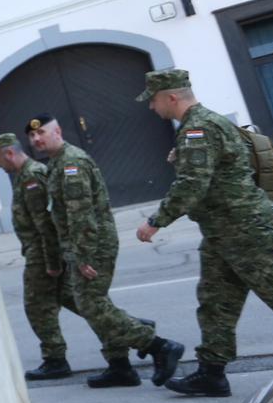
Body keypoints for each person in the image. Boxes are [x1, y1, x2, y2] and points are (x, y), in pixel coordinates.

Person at [134, 68, 273, 397]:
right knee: (215, 302)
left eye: (153, 100)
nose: (151, 106)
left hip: (243, 229)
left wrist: (156, 221)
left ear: (171, 97)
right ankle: (211, 374)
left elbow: (193, 185)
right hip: (222, 230)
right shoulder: (207, 123)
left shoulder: (198, 129)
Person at [27, 117, 185, 388]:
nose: (36, 139)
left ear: (58, 131)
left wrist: (83, 256)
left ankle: (158, 346)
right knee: (95, 303)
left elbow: (81, 214)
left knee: (91, 305)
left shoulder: (71, 163)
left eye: (41, 132)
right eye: (32, 136)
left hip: (92, 244)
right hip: (82, 244)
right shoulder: (56, 163)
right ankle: (120, 366)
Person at [0, 132, 73, 379]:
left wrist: (52, 262)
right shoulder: (25, 176)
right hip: (42, 252)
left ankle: (55, 359)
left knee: (37, 307)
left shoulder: (32, 178)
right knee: (77, 300)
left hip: (42, 254)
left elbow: (45, 224)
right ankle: (134, 331)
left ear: (8, 153)